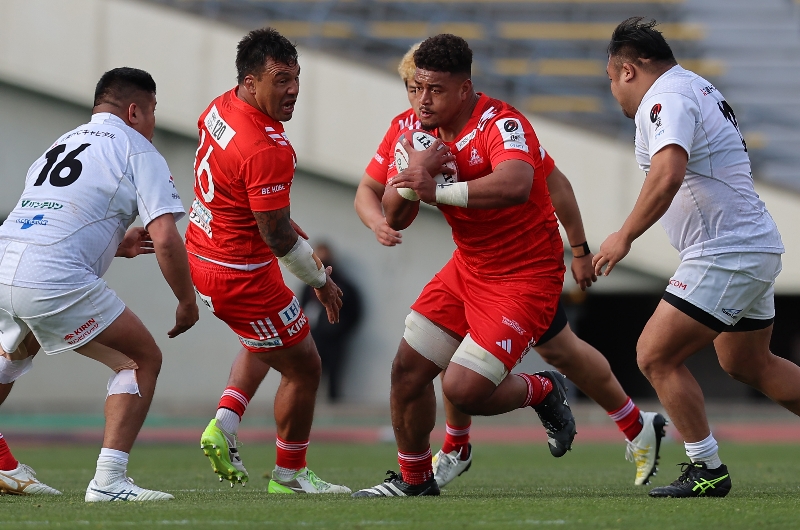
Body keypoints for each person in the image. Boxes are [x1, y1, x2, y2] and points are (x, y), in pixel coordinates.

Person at [354, 42, 667, 489]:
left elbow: (527, 184)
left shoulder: (502, 123)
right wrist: (410, 181)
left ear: (464, 89)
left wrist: (580, 250)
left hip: (526, 274)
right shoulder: (409, 129)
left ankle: (544, 392)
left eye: (435, 90)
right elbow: (394, 212)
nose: (422, 100)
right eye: (415, 88)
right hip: (470, 266)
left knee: (468, 385)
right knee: (409, 370)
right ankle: (417, 477)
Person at [595, 17, 800, 498]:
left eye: (611, 79)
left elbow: (668, 173)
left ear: (629, 70)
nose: (613, 91)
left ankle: (706, 468)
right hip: (747, 243)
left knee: (654, 355)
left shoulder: (665, 97)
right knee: (750, 364)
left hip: (726, 250)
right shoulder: (693, 87)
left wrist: (624, 235)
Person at [0, 67, 198, 501]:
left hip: (5, 262)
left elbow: (53, 212)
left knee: (12, 355)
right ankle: (109, 481)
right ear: (135, 111)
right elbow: (166, 238)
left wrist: (116, 244)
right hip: (51, 274)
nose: (153, 122)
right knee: (140, 359)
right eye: (153, 111)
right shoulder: (137, 148)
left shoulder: (61, 142)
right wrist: (187, 301)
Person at [187, 28, 350, 495]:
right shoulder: (266, 147)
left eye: (296, 79)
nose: (293, 90)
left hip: (204, 250)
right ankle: (290, 475)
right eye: (281, 80)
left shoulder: (220, 106)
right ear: (250, 81)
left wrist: (278, 224)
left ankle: (225, 423)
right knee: (305, 366)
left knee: (265, 339)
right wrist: (320, 280)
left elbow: (248, 199)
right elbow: (277, 237)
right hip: (241, 273)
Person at [298, 243, 362, 403]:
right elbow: (300, 310)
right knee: (309, 376)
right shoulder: (307, 287)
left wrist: (340, 329)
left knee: (334, 379)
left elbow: (354, 312)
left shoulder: (344, 285)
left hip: (335, 340)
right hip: (314, 338)